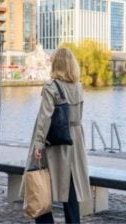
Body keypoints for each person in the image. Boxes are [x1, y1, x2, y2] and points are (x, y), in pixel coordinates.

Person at [26, 47, 91, 223]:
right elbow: (79, 116)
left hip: (53, 142)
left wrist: (39, 144)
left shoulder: (51, 87)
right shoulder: (79, 87)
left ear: (57, 64)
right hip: (75, 142)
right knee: (70, 188)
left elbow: (44, 117)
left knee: (41, 181)